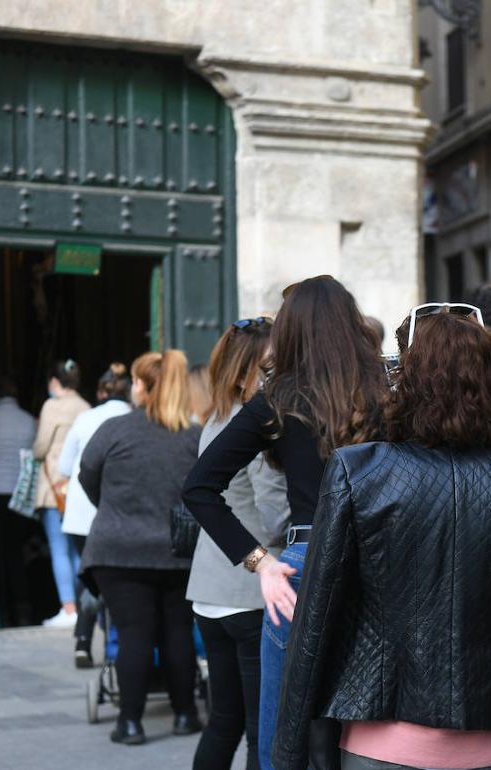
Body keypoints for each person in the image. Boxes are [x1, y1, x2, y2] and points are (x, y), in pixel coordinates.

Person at [273, 309, 491, 770]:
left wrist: (292, 752)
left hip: (381, 736)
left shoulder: (359, 472)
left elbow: (319, 618)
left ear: (404, 382)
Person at [182, 275, 389, 770]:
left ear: (293, 330)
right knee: (371, 731)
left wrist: (262, 564)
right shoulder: (386, 390)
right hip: (382, 559)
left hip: (304, 561)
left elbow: (198, 486)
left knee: (282, 735)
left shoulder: (279, 398)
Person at [79, 350, 202, 745]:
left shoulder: (115, 430)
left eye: (135, 380)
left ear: (145, 386)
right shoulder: (195, 436)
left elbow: (88, 476)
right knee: (178, 632)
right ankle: (185, 715)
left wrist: (116, 509)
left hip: (118, 548)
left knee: (133, 633)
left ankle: (129, 723)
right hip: (177, 549)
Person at [187, 318, 290, 770]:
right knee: (258, 727)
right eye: (272, 363)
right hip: (251, 593)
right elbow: (275, 517)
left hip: (210, 593)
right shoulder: (256, 424)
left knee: (223, 721)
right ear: (251, 369)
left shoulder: (215, 418)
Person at [56, 362, 132, 667]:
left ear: (100, 391)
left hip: (81, 512)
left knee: (89, 575)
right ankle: (117, 639)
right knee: (120, 578)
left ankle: (83, 643)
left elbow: (64, 466)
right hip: (120, 512)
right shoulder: (135, 418)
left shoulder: (86, 418)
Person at [33, 359, 90, 628]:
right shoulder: (85, 407)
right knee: (78, 548)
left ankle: (68, 609)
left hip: (54, 487)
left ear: (55, 382)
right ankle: (82, 604)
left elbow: (40, 447)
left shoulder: (51, 406)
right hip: (78, 487)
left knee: (58, 549)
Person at [0, 373, 37, 627]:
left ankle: (0, 611)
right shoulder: (28, 420)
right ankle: (23, 608)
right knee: (16, 554)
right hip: (19, 494)